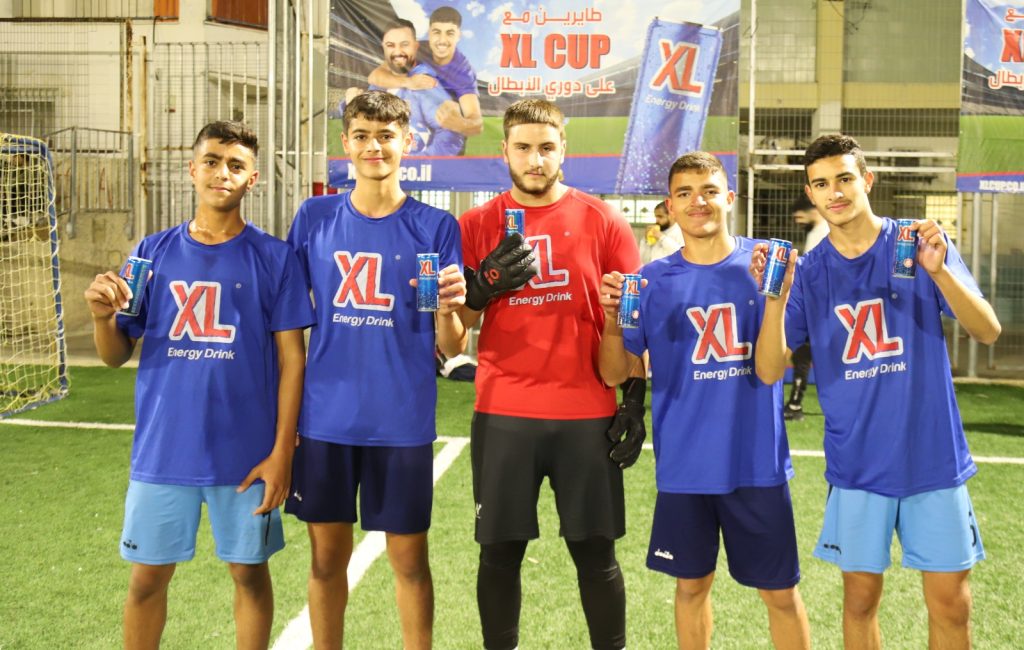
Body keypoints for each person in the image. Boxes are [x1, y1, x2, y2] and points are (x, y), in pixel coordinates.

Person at [753, 134, 1001, 649]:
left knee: (951, 605)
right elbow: (770, 370)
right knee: (860, 601)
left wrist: (940, 274)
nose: (835, 192)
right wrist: (774, 299)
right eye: (822, 184)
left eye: (845, 178)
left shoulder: (917, 244)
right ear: (811, 193)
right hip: (858, 465)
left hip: (932, 457)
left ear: (867, 180)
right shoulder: (809, 272)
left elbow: (987, 331)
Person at [84, 121, 313, 649]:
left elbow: (292, 362)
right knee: (146, 579)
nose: (221, 173)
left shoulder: (275, 257)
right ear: (193, 169)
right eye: (211, 161)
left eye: (236, 165)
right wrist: (101, 318)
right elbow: (116, 354)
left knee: (249, 575)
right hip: (164, 449)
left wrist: (282, 452)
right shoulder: (152, 252)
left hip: (246, 455)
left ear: (253, 178)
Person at [598, 152, 811, 650]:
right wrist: (610, 320)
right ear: (670, 205)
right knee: (691, 587)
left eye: (710, 191)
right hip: (685, 467)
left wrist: (775, 297)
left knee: (780, 593)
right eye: (686, 193)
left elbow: (773, 367)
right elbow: (614, 372)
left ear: (729, 198)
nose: (699, 202)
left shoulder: (766, 264)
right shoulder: (649, 281)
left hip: (756, 464)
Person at [285, 91, 467, 650]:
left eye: (386, 136)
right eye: (362, 135)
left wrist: (449, 311)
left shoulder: (436, 226)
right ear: (346, 143)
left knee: (409, 560)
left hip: (401, 421)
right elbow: (287, 322)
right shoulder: (314, 217)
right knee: (325, 560)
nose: (374, 147)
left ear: (408, 142)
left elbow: (453, 344)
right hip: (326, 419)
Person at [457, 98, 641, 650]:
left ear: (564, 149)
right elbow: (455, 327)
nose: (535, 160)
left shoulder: (603, 220)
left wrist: (634, 397)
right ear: (504, 150)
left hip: (586, 412)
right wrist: (480, 290)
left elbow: (632, 317)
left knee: (596, 552)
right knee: (498, 553)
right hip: (503, 411)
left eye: (546, 148)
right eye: (523, 148)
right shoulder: (475, 224)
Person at [351, 18, 465, 156]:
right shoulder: (382, 81)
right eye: (390, 45)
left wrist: (420, 164)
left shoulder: (425, 82)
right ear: (384, 47)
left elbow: (452, 133)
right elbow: (365, 123)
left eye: (404, 44)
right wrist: (351, 104)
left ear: (415, 46)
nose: (397, 51)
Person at [368, 6, 483, 139]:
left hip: (446, 134)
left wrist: (460, 124)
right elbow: (375, 76)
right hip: (415, 125)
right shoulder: (416, 48)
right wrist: (408, 82)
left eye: (450, 33)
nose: (442, 40)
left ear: (459, 36)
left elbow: (476, 122)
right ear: (429, 33)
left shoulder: (463, 70)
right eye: (437, 32)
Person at [783, 194, 828, 421]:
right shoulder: (817, 232)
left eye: (800, 216)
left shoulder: (822, 233)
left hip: (820, 308)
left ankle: (794, 405)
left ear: (813, 211)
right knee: (802, 355)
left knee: (802, 355)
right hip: (818, 306)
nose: (797, 221)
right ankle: (794, 404)